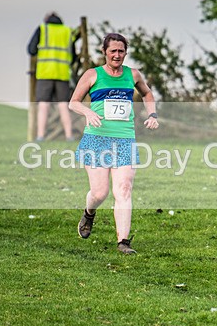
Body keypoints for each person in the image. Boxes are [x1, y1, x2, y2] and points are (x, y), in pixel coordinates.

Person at [68, 32, 159, 254]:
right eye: (113, 51)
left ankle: (123, 242)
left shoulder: (132, 74)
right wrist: (88, 112)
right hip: (96, 139)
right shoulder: (93, 74)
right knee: (100, 193)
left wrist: (152, 114)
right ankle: (89, 213)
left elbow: (147, 94)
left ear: (125, 52)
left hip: (124, 139)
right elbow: (74, 102)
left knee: (124, 189)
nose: (117, 55)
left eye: (121, 51)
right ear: (104, 52)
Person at [27, 11, 76, 141]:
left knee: (43, 105)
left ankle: (40, 136)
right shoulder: (67, 31)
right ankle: (69, 136)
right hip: (62, 73)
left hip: (45, 73)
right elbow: (73, 56)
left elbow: (31, 50)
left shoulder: (42, 29)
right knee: (63, 105)